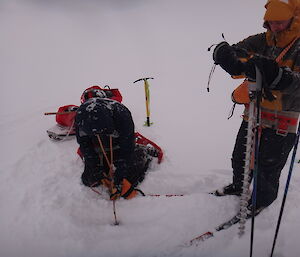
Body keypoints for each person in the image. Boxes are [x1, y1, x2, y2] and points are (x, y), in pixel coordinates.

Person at [212, 0, 300, 211]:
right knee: (240, 156)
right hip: (254, 111)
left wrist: (283, 79)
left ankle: (261, 202)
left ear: (294, 18)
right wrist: (225, 55)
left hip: (283, 116)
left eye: (280, 22)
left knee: (268, 167)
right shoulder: (263, 40)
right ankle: (238, 186)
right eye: (270, 22)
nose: (275, 26)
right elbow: (238, 52)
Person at [75, 86, 156, 199]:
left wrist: (120, 174)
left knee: (128, 177)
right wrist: (96, 167)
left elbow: (127, 147)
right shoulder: (80, 117)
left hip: (118, 143)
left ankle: (144, 151)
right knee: (90, 179)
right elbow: (85, 146)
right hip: (99, 145)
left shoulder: (122, 114)